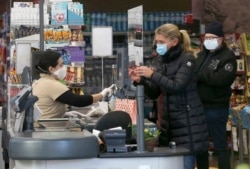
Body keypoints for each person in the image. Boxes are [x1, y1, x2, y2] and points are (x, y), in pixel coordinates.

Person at [128, 23, 208, 169]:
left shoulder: (187, 60)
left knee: (186, 165)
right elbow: (154, 92)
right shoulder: (161, 60)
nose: (158, 45)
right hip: (168, 126)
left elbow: (176, 87)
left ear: (174, 42)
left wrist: (152, 74)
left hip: (187, 125)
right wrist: (141, 81)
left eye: (161, 42)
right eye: (156, 42)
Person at [195, 22, 237, 169]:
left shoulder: (228, 56)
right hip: (200, 106)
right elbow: (196, 74)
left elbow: (222, 79)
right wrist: (204, 75)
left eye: (212, 37)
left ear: (221, 39)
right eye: (206, 37)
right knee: (201, 146)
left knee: (220, 145)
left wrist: (200, 75)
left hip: (216, 107)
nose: (209, 40)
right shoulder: (202, 54)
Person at [32, 50, 113, 119]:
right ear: (51, 69)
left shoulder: (41, 81)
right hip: (48, 129)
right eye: (61, 65)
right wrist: (102, 94)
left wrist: (64, 114)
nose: (64, 68)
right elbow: (78, 101)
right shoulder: (50, 84)